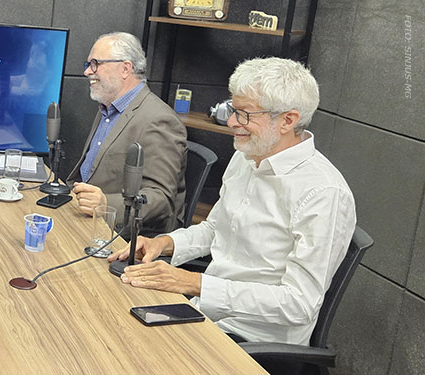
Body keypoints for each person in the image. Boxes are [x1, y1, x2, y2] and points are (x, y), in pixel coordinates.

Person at [107, 57, 357, 345]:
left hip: (253, 341)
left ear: (288, 120)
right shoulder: (246, 156)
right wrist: (164, 243)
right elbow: (216, 229)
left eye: (245, 114)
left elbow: (299, 304)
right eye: (233, 110)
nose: (233, 122)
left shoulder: (324, 192)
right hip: (205, 313)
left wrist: (194, 283)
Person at [66, 32, 186, 239]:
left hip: (123, 236)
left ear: (125, 68)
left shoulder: (160, 120)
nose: (87, 72)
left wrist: (106, 205)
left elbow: (161, 201)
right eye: (88, 64)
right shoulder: (107, 108)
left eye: (95, 64)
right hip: (85, 219)